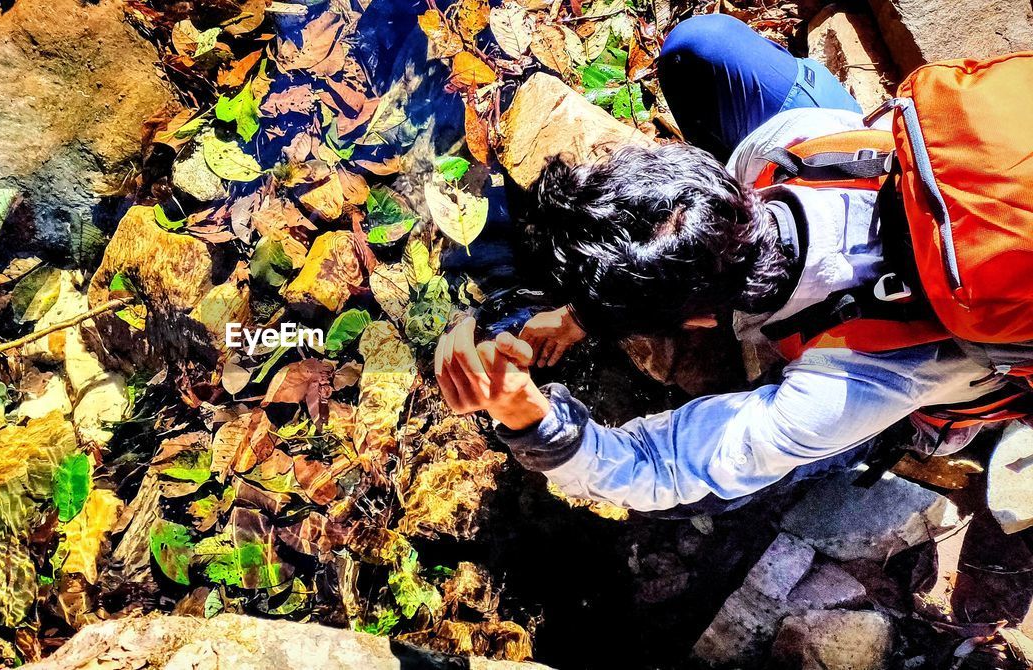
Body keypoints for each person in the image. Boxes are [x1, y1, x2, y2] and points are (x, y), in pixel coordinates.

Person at [433, 14, 1024, 515]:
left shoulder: (850, 385)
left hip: (954, 342)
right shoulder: (792, 147)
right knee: (702, 47)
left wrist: (528, 416)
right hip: (963, 185)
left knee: (730, 490)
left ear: (698, 323)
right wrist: (583, 315)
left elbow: (658, 469)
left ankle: (910, 436)